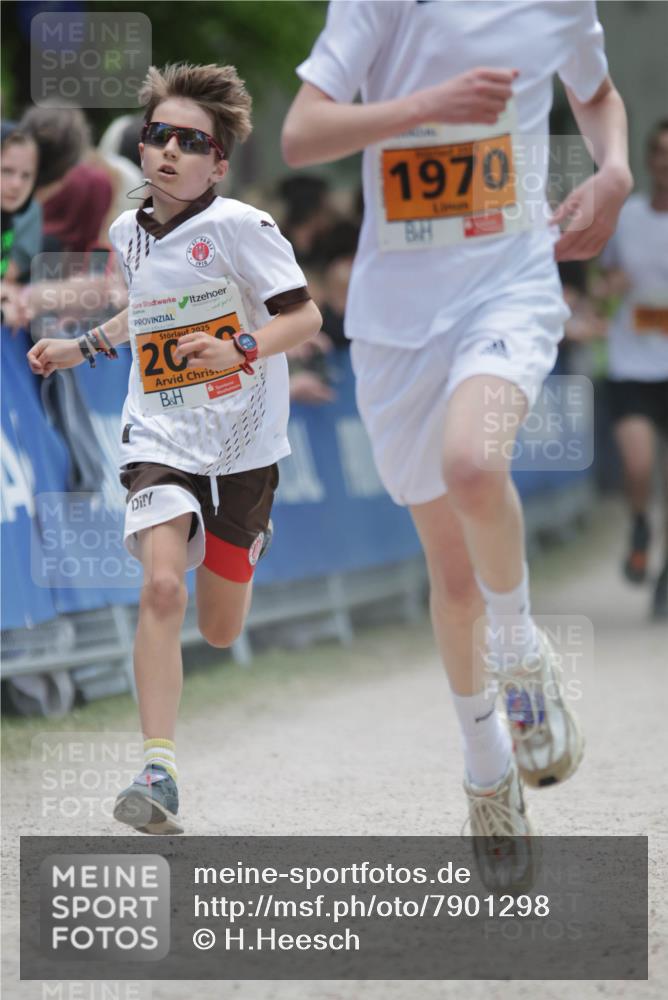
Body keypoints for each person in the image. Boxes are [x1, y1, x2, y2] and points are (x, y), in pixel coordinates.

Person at [283, 0, 632, 874]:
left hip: (508, 281)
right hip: (397, 318)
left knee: (474, 465)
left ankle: (522, 654)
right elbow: (301, 134)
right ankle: (487, 773)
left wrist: (615, 171)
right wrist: (424, 106)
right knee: (450, 575)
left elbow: (598, 93)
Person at [27, 61, 322, 834]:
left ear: (218, 163)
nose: (169, 152)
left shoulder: (243, 230)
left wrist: (242, 350)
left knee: (221, 627)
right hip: (159, 429)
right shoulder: (127, 230)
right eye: (159, 135)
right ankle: (158, 768)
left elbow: (306, 319)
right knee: (162, 587)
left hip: (245, 442)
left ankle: (249, 542)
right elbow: (146, 310)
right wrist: (80, 346)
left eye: (191, 143)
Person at [595, 119, 668, 619]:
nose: (666, 161)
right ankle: (640, 522)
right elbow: (606, 280)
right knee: (639, 466)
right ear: (648, 160)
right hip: (632, 364)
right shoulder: (629, 219)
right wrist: (610, 286)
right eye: (659, 151)